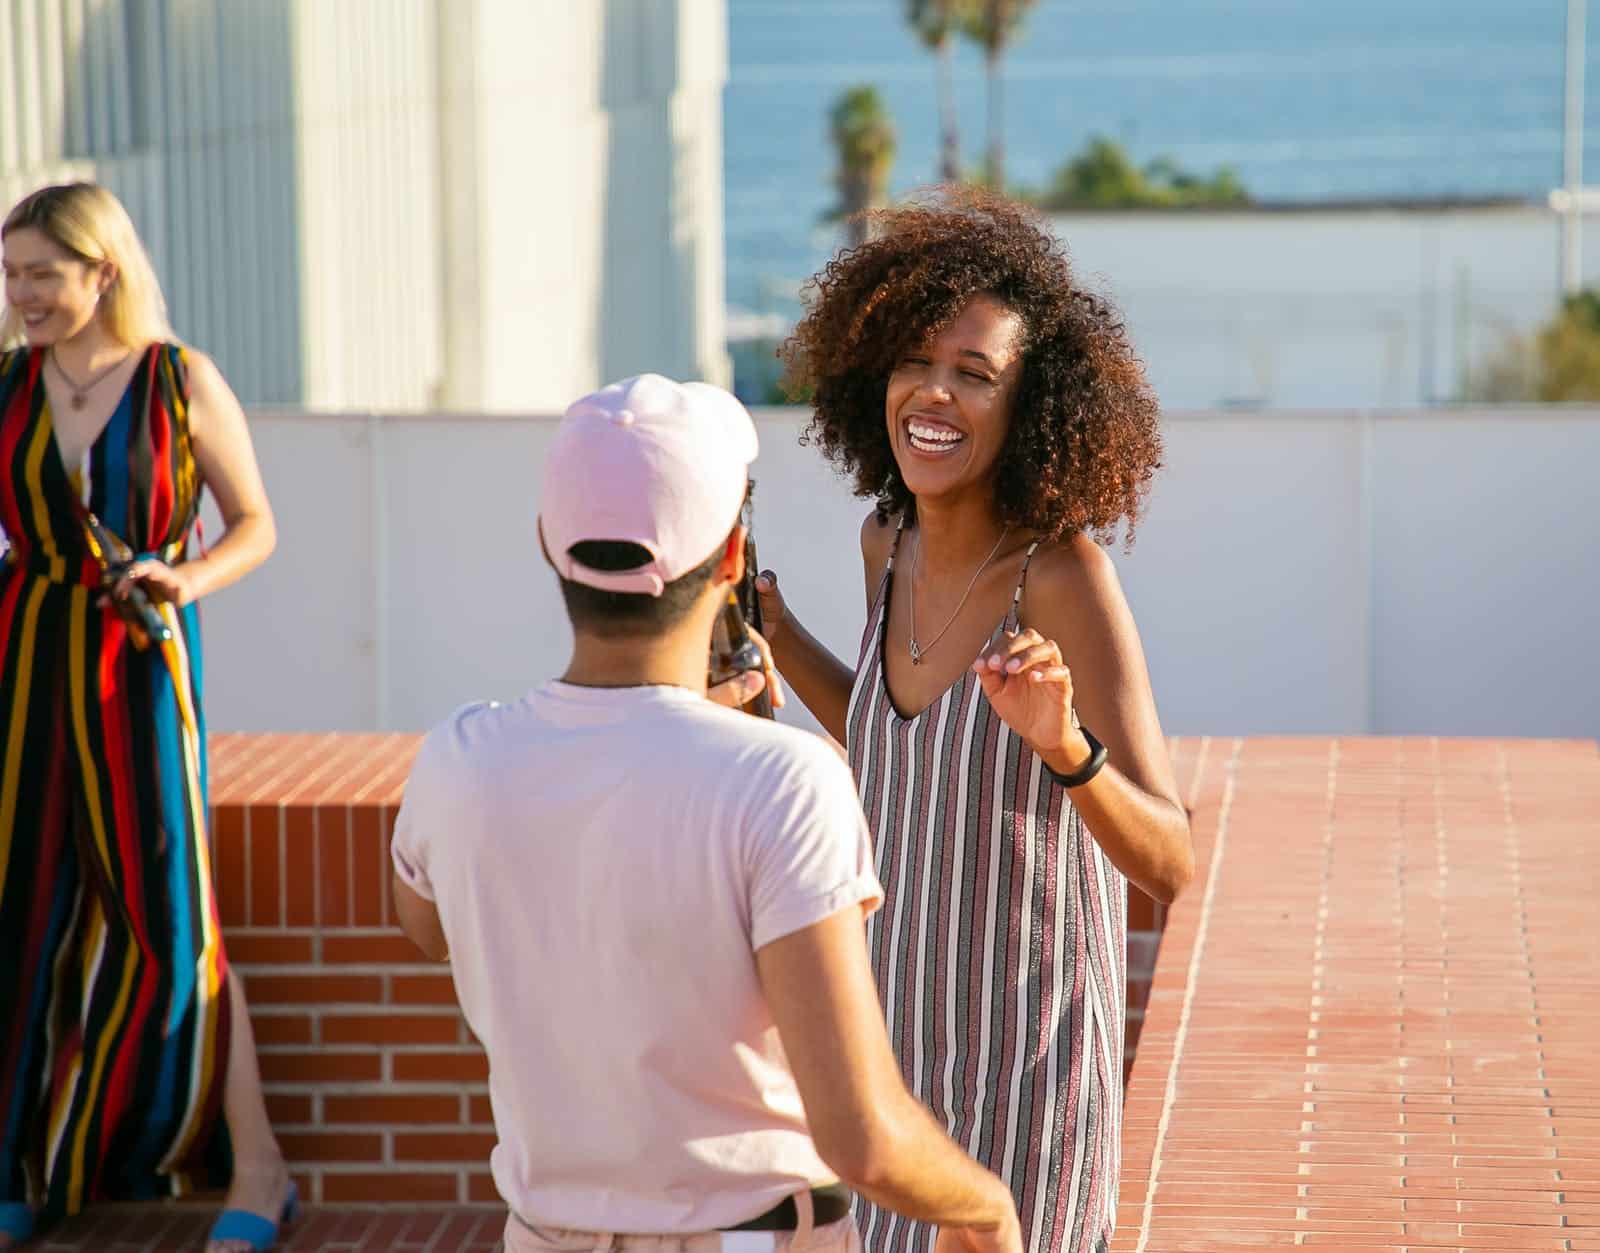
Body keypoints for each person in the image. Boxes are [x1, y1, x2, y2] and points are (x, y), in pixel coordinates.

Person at [389, 374, 1024, 1253]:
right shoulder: (783, 783)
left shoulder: (456, 761)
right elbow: (863, 1136)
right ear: (733, 557)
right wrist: (985, 1205)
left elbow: (429, 927)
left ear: (549, 543)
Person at [756, 189, 1194, 1253]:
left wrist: (1065, 746)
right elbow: (902, 757)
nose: (934, 392)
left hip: (1030, 1078)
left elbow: (1172, 861)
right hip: (895, 1044)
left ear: (1028, 408)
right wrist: (777, 638)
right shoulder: (883, 540)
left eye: (974, 373)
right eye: (915, 359)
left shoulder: (1061, 578)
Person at [0, 182, 290, 1253]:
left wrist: (188, 576)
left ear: (102, 270)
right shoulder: (6, 384)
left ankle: (260, 1167)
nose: (19, 293)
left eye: (40, 272)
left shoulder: (180, 380)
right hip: (23, 654)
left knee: (175, 911)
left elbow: (256, 524)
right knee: (19, 908)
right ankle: (24, 1164)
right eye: (11, 272)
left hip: (139, 656)